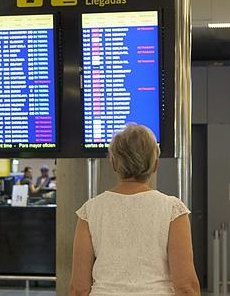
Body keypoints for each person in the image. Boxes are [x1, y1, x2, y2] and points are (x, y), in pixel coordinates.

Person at [69, 124, 200, 296]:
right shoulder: (173, 210)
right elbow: (186, 287)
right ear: (155, 165)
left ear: (113, 163)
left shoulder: (90, 211)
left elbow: (79, 288)